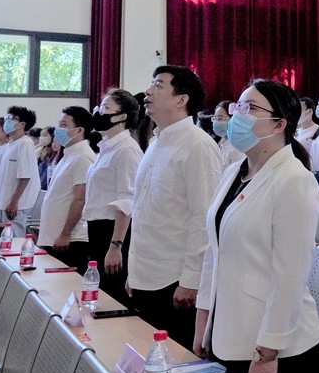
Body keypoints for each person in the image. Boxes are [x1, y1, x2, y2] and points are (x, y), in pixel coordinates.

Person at [194, 79, 319, 373]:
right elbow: (214, 252)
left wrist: (268, 352)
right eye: (238, 106)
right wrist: (203, 321)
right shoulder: (233, 173)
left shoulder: (294, 179)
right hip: (228, 327)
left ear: (279, 124)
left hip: (277, 345)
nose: (238, 115)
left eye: (250, 108)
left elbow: (290, 274)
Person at [128, 65, 222, 350]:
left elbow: (203, 218)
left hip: (174, 280)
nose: (148, 92)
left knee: (173, 361)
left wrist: (192, 280)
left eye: (158, 85)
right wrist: (134, 271)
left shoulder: (198, 145)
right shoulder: (155, 143)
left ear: (181, 100)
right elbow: (142, 211)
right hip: (146, 272)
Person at [85, 88, 142, 305]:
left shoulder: (126, 150)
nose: (99, 112)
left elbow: (127, 200)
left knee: (112, 295)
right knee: (98, 291)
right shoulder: (106, 148)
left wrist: (116, 245)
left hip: (113, 230)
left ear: (121, 117)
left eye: (106, 108)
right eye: (100, 107)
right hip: (97, 227)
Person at [38, 106, 96, 270]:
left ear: (79, 130)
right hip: (55, 236)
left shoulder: (83, 157)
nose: (58, 129)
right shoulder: (69, 154)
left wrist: (65, 234)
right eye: (58, 124)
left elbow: (80, 199)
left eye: (64, 125)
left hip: (70, 239)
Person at [0, 106, 41, 237]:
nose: (7, 121)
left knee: (14, 240)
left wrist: (14, 202)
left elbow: (25, 176)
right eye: (7, 117)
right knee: (3, 240)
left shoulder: (25, 144)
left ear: (22, 124)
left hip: (16, 205)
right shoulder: (10, 144)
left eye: (11, 118)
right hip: (3, 202)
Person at [212, 100, 245, 169]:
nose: (216, 122)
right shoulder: (221, 141)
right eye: (215, 118)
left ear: (233, 119)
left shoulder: (238, 147)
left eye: (220, 118)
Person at [36, 126, 54, 190]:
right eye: (41, 135)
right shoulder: (40, 150)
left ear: (52, 136)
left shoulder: (53, 153)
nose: (41, 138)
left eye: (45, 135)